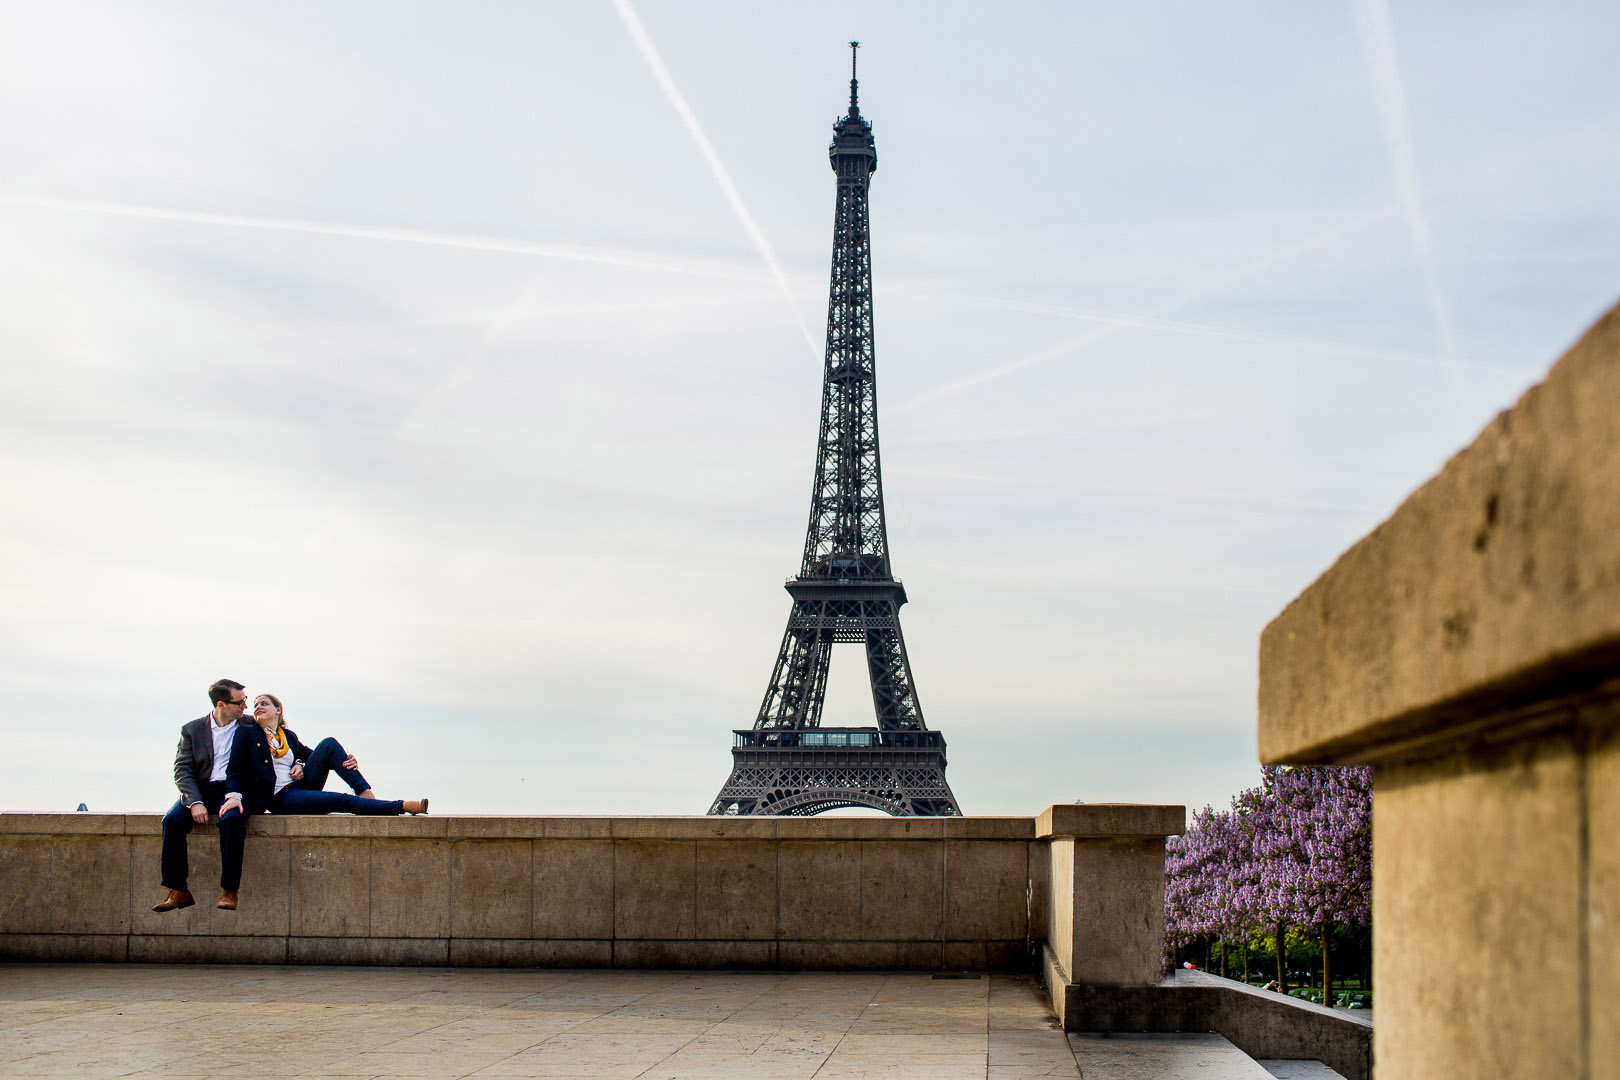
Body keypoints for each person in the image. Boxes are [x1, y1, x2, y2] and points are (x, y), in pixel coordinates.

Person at [222, 694, 427, 829]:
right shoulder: (247, 733)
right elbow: (234, 769)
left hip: (299, 786)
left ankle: (364, 792)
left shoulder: (288, 736)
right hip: (279, 797)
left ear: (278, 710)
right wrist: (233, 796)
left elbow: (317, 756)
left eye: (264, 703)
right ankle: (402, 806)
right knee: (340, 800)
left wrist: (302, 763)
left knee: (329, 744)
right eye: (256, 705)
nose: (258, 707)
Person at [152, 678, 253, 914]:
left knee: (231, 821)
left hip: (234, 790)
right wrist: (195, 801)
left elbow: (286, 743)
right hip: (201, 789)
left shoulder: (250, 725)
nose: (245, 707)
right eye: (239, 703)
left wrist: (300, 762)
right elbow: (182, 769)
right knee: (172, 821)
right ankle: (178, 890)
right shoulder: (192, 729)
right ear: (221, 704)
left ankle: (230, 891)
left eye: (245, 701)